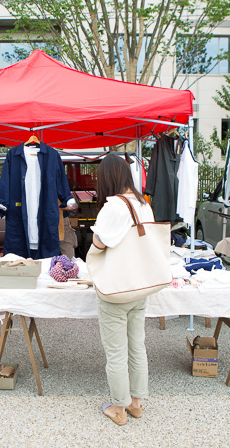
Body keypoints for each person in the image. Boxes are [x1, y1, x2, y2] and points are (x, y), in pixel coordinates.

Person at [90, 153, 151, 426]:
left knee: (116, 352)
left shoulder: (113, 206)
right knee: (137, 346)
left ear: (107, 178)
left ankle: (119, 409)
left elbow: (100, 243)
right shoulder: (143, 203)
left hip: (116, 289)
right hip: (140, 284)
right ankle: (136, 404)